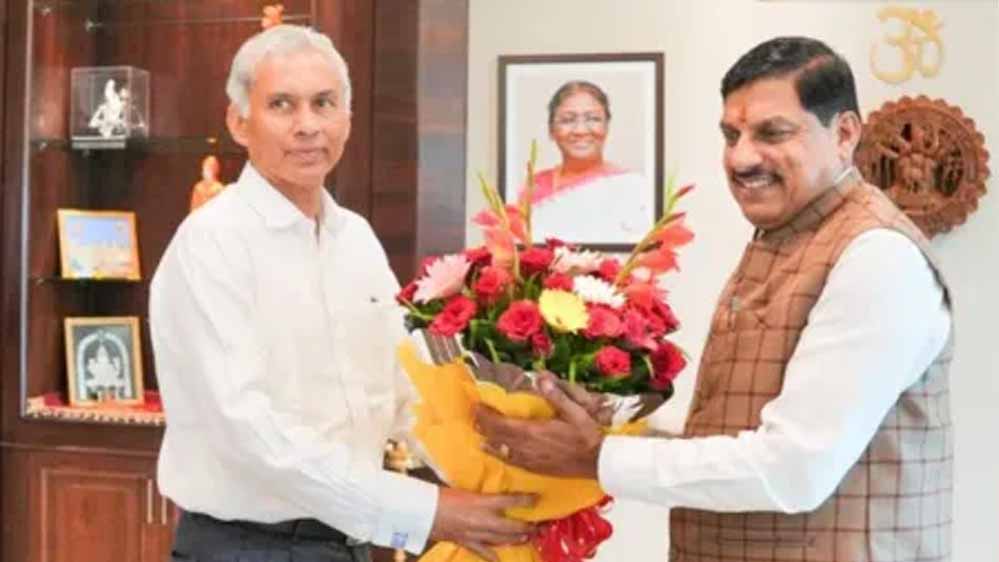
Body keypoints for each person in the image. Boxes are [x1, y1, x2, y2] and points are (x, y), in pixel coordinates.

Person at [477, 36, 953, 562]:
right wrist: (611, 427)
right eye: (731, 135)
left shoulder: (877, 256)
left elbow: (793, 469)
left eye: (772, 133)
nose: (741, 158)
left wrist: (597, 456)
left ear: (844, 134)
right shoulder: (788, 237)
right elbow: (738, 435)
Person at [150, 24, 533, 562]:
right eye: (281, 105)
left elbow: (407, 390)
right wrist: (424, 511)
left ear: (347, 120)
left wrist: (508, 463)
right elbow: (248, 433)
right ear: (238, 122)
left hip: (349, 543)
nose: (307, 125)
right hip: (246, 548)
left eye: (323, 103)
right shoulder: (212, 243)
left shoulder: (356, 238)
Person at [520, 81, 651, 244]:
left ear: (606, 126)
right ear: (551, 130)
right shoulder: (533, 187)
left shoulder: (633, 188)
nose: (580, 130)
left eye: (593, 119)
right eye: (567, 120)